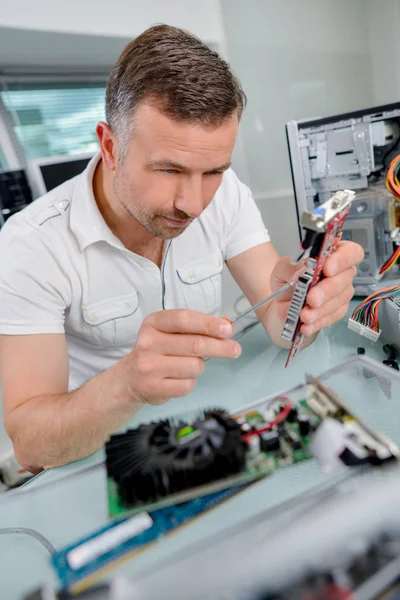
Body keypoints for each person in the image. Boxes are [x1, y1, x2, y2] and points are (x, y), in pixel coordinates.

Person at [0, 25, 363, 473]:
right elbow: (31, 444)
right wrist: (129, 384)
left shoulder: (226, 194)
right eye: (169, 170)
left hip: (206, 428)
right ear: (110, 146)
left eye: (213, 171)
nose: (193, 205)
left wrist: (306, 307)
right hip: (95, 456)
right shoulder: (30, 245)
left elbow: (278, 323)